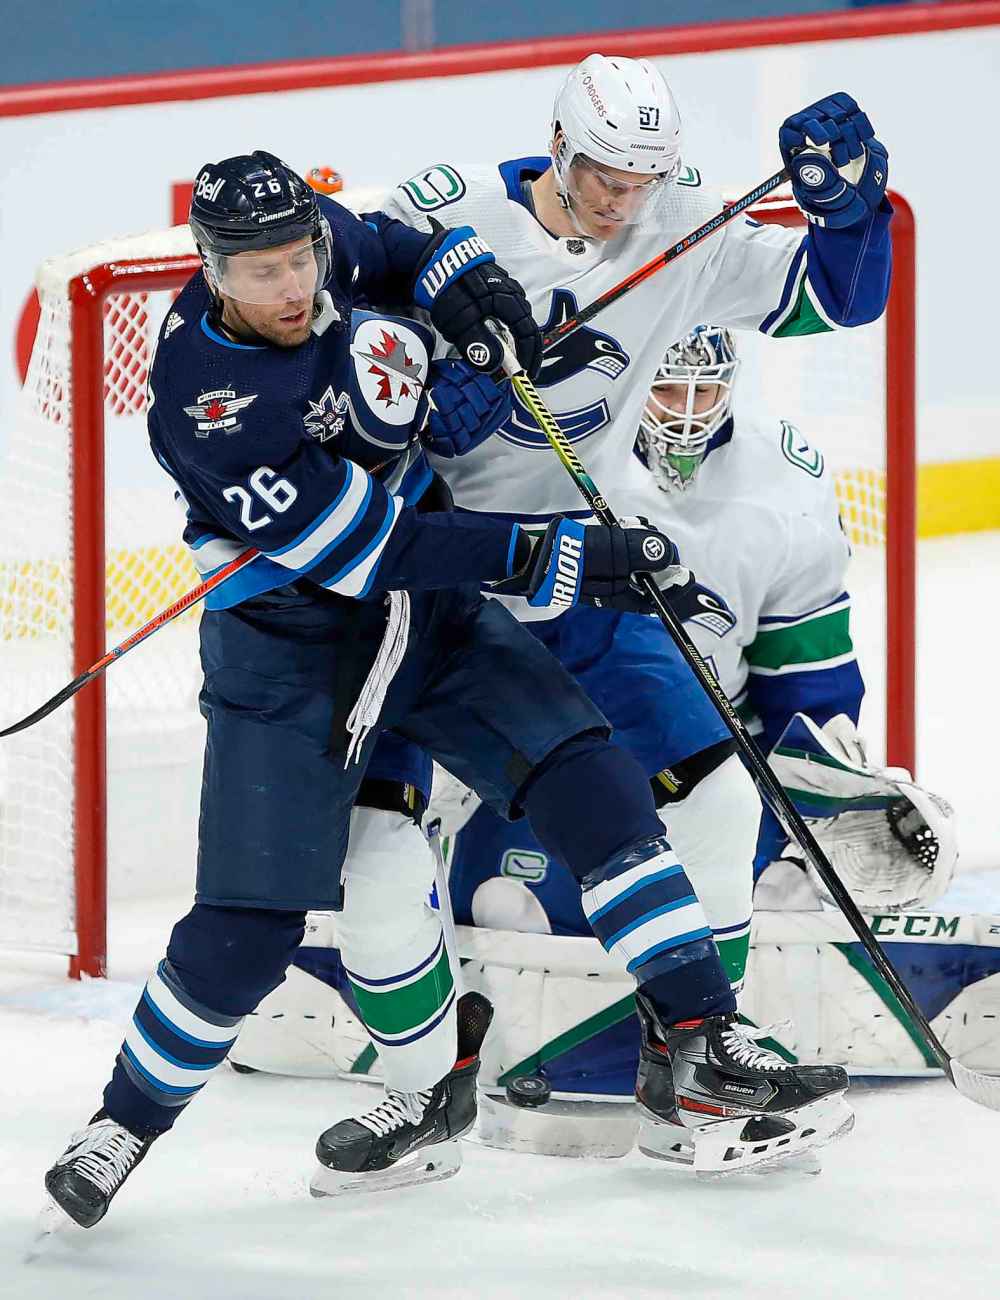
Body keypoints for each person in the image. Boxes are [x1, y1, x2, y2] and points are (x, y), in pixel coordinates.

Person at [43, 151, 847, 1230]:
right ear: (210, 270)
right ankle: (124, 1124)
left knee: (592, 779)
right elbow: (375, 547)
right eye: (262, 275)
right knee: (248, 930)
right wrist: (553, 555)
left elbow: (413, 246)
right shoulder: (208, 402)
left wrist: (472, 291)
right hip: (293, 646)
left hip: (432, 621)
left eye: (299, 260)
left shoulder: (321, 240)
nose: (292, 289)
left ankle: (701, 1037)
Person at [374, 58, 895, 1002]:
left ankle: (703, 1050)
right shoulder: (441, 218)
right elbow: (333, 373)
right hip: (434, 578)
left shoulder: (680, 223)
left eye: (641, 183)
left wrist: (852, 211)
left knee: (722, 795)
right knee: (377, 835)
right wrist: (409, 410)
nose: (621, 205)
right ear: (559, 147)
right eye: (604, 179)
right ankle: (412, 1045)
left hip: (584, 564)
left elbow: (836, 299)